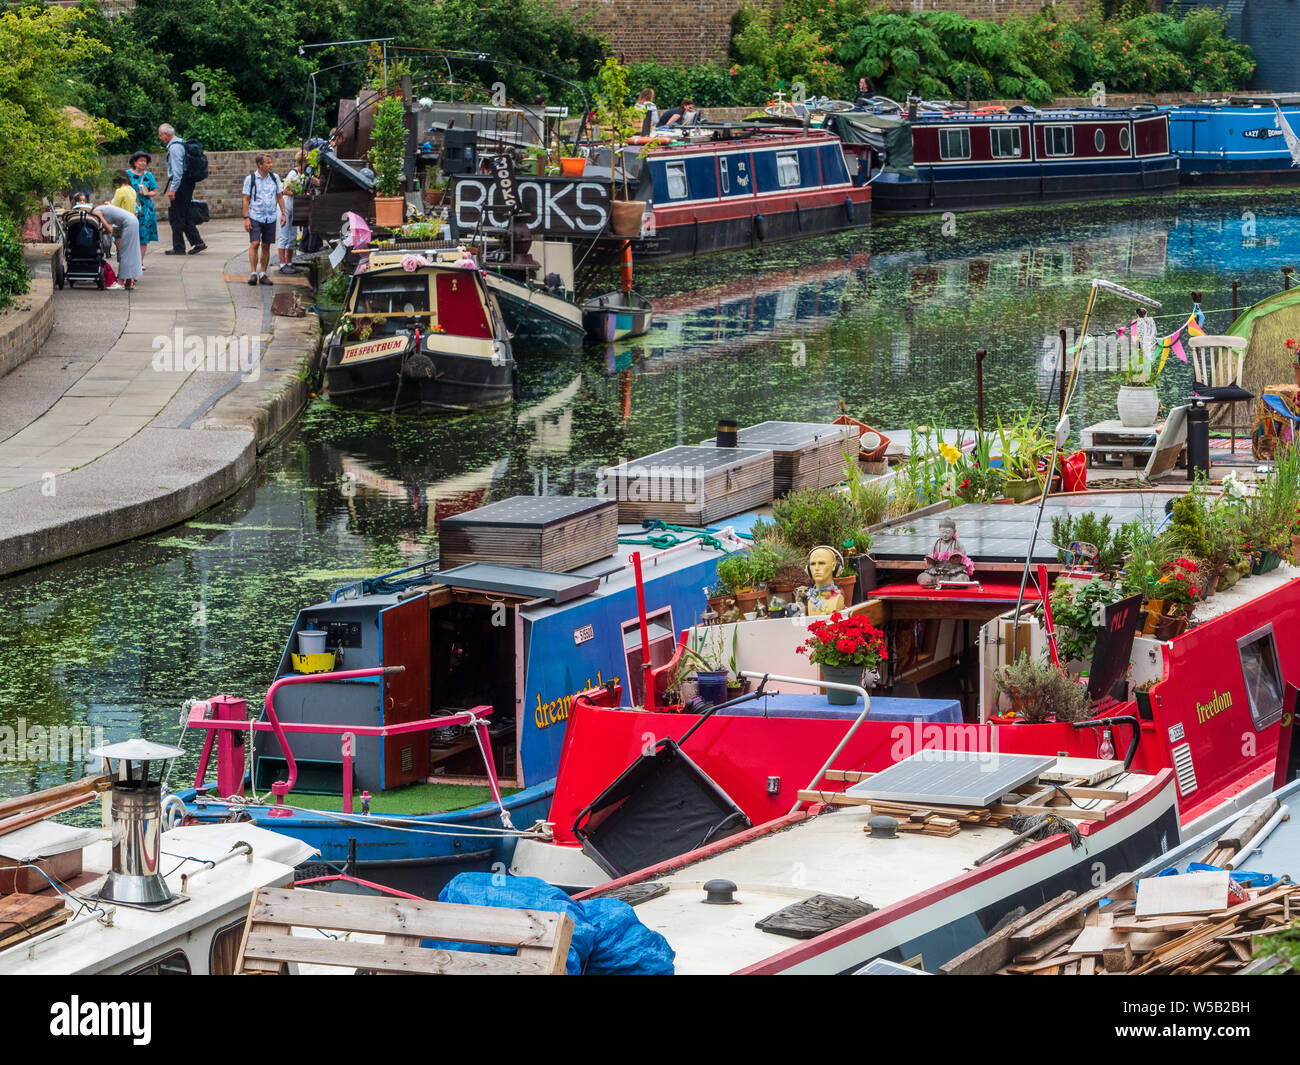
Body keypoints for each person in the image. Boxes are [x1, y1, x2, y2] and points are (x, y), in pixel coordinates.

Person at [159, 124, 206, 255]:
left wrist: (173, 189)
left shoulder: (174, 148)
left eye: (161, 135)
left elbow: (178, 171)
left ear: (167, 134)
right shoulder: (182, 143)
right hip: (187, 183)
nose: (160, 137)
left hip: (181, 184)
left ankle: (179, 247)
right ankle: (198, 242)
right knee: (183, 215)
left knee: (176, 216)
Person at [242, 153, 287, 286]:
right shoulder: (251, 179)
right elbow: (246, 199)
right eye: (267, 163)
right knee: (255, 243)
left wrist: (283, 214)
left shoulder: (275, 178)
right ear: (260, 165)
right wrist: (246, 218)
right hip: (255, 215)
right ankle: (253, 273)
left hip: (270, 216)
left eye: (271, 162)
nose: (270, 165)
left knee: (266, 245)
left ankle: (263, 273)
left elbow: (279, 196)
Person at [95, 198, 142, 290]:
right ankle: (129, 280)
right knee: (130, 252)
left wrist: (109, 231)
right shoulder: (104, 209)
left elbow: (108, 227)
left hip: (129, 223)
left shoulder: (96, 211)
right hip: (132, 221)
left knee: (125, 253)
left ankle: (120, 283)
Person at [917, 516, 975, 588]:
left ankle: (942, 584)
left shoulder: (958, 544)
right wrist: (932, 569)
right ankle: (948, 584)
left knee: (963, 579)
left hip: (954, 574)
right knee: (922, 578)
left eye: (948, 532)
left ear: (954, 532)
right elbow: (930, 560)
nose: (945, 534)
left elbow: (964, 563)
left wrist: (955, 570)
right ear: (939, 531)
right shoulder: (935, 544)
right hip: (938, 573)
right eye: (942, 532)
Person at [276, 149, 306, 274]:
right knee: (284, 236)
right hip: (286, 208)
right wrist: (298, 193)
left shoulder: (302, 174)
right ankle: (282, 264)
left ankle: (289, 262)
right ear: (303, 162)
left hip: (294, 209)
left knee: (292, 237)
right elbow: (284, 191)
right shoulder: (293, 174)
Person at [127, 151, 159, 266]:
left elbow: (154, 191)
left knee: (143, 236)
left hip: (145, 209)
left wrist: (146, 193)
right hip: (130, 207)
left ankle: (139, 263)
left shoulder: (149, 176)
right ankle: (130, 261)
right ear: (134, 162)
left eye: (145, 161)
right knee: (129, 235)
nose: (143, 163)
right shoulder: (127, 174)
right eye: (140, 160)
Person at [804, 545, 846, 616]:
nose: (816, 568)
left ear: (833, 566)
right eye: (813, 564)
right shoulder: (811, 600)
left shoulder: (838, 598)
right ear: (808, 569)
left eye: (822, 563)